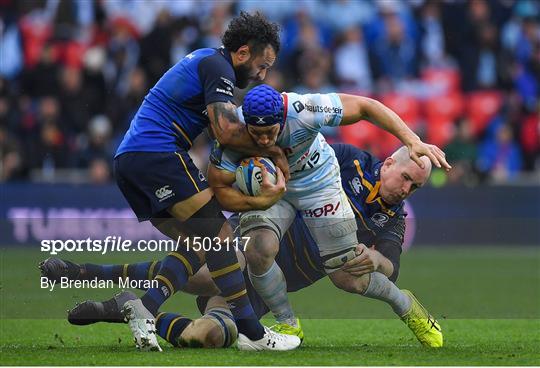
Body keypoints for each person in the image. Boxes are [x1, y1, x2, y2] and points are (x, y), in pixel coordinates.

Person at [40, 143, 442, 348]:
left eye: (415, 187)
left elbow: (392, 265)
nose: (406, 189)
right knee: (204, 263)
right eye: (405, 177)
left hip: (264, 292)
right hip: (255, 241)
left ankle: (130, 307)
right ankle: (83, 272)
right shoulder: (347, 159)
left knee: (207, 338)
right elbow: (290, 159)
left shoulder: (391, 218)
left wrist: (377, 261)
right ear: (389, 163)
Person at [110, 11, 300, 352]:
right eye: (262, 64)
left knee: (199, 246)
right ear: (242, 53)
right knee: (221, 238)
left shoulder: (206, 61)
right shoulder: (218, 67)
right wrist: (274, 151)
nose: (263, 74)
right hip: (158, 155)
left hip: (130, 162)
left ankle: (144, 308)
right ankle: (252, 335)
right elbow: (225, 131)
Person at [207, 84, 447, 347]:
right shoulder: (231, 132)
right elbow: (218, 189)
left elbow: (366, 106)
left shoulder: (305, 110)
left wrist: (412, 140)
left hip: (315, 194)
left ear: (283, 119)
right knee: (255, 250)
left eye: (271, 133)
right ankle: (288, 324)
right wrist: (259, 199)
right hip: (277, 194)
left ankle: (406, 305)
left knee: (347, 276)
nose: (264, 141)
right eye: (257, 134)